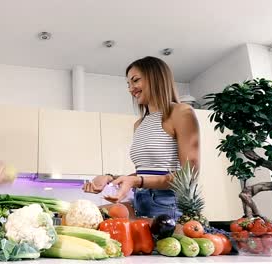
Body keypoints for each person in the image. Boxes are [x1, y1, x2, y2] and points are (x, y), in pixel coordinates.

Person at [83, 56, 200, 220]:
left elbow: (190, 175)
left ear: (156, 78)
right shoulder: (139, 124)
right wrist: (109, 178)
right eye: (128, 84)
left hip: (167, 203)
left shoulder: (181, 112)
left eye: (135, 80)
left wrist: (137, 181)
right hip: (140, 199)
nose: (131, 89)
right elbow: (143, 173)